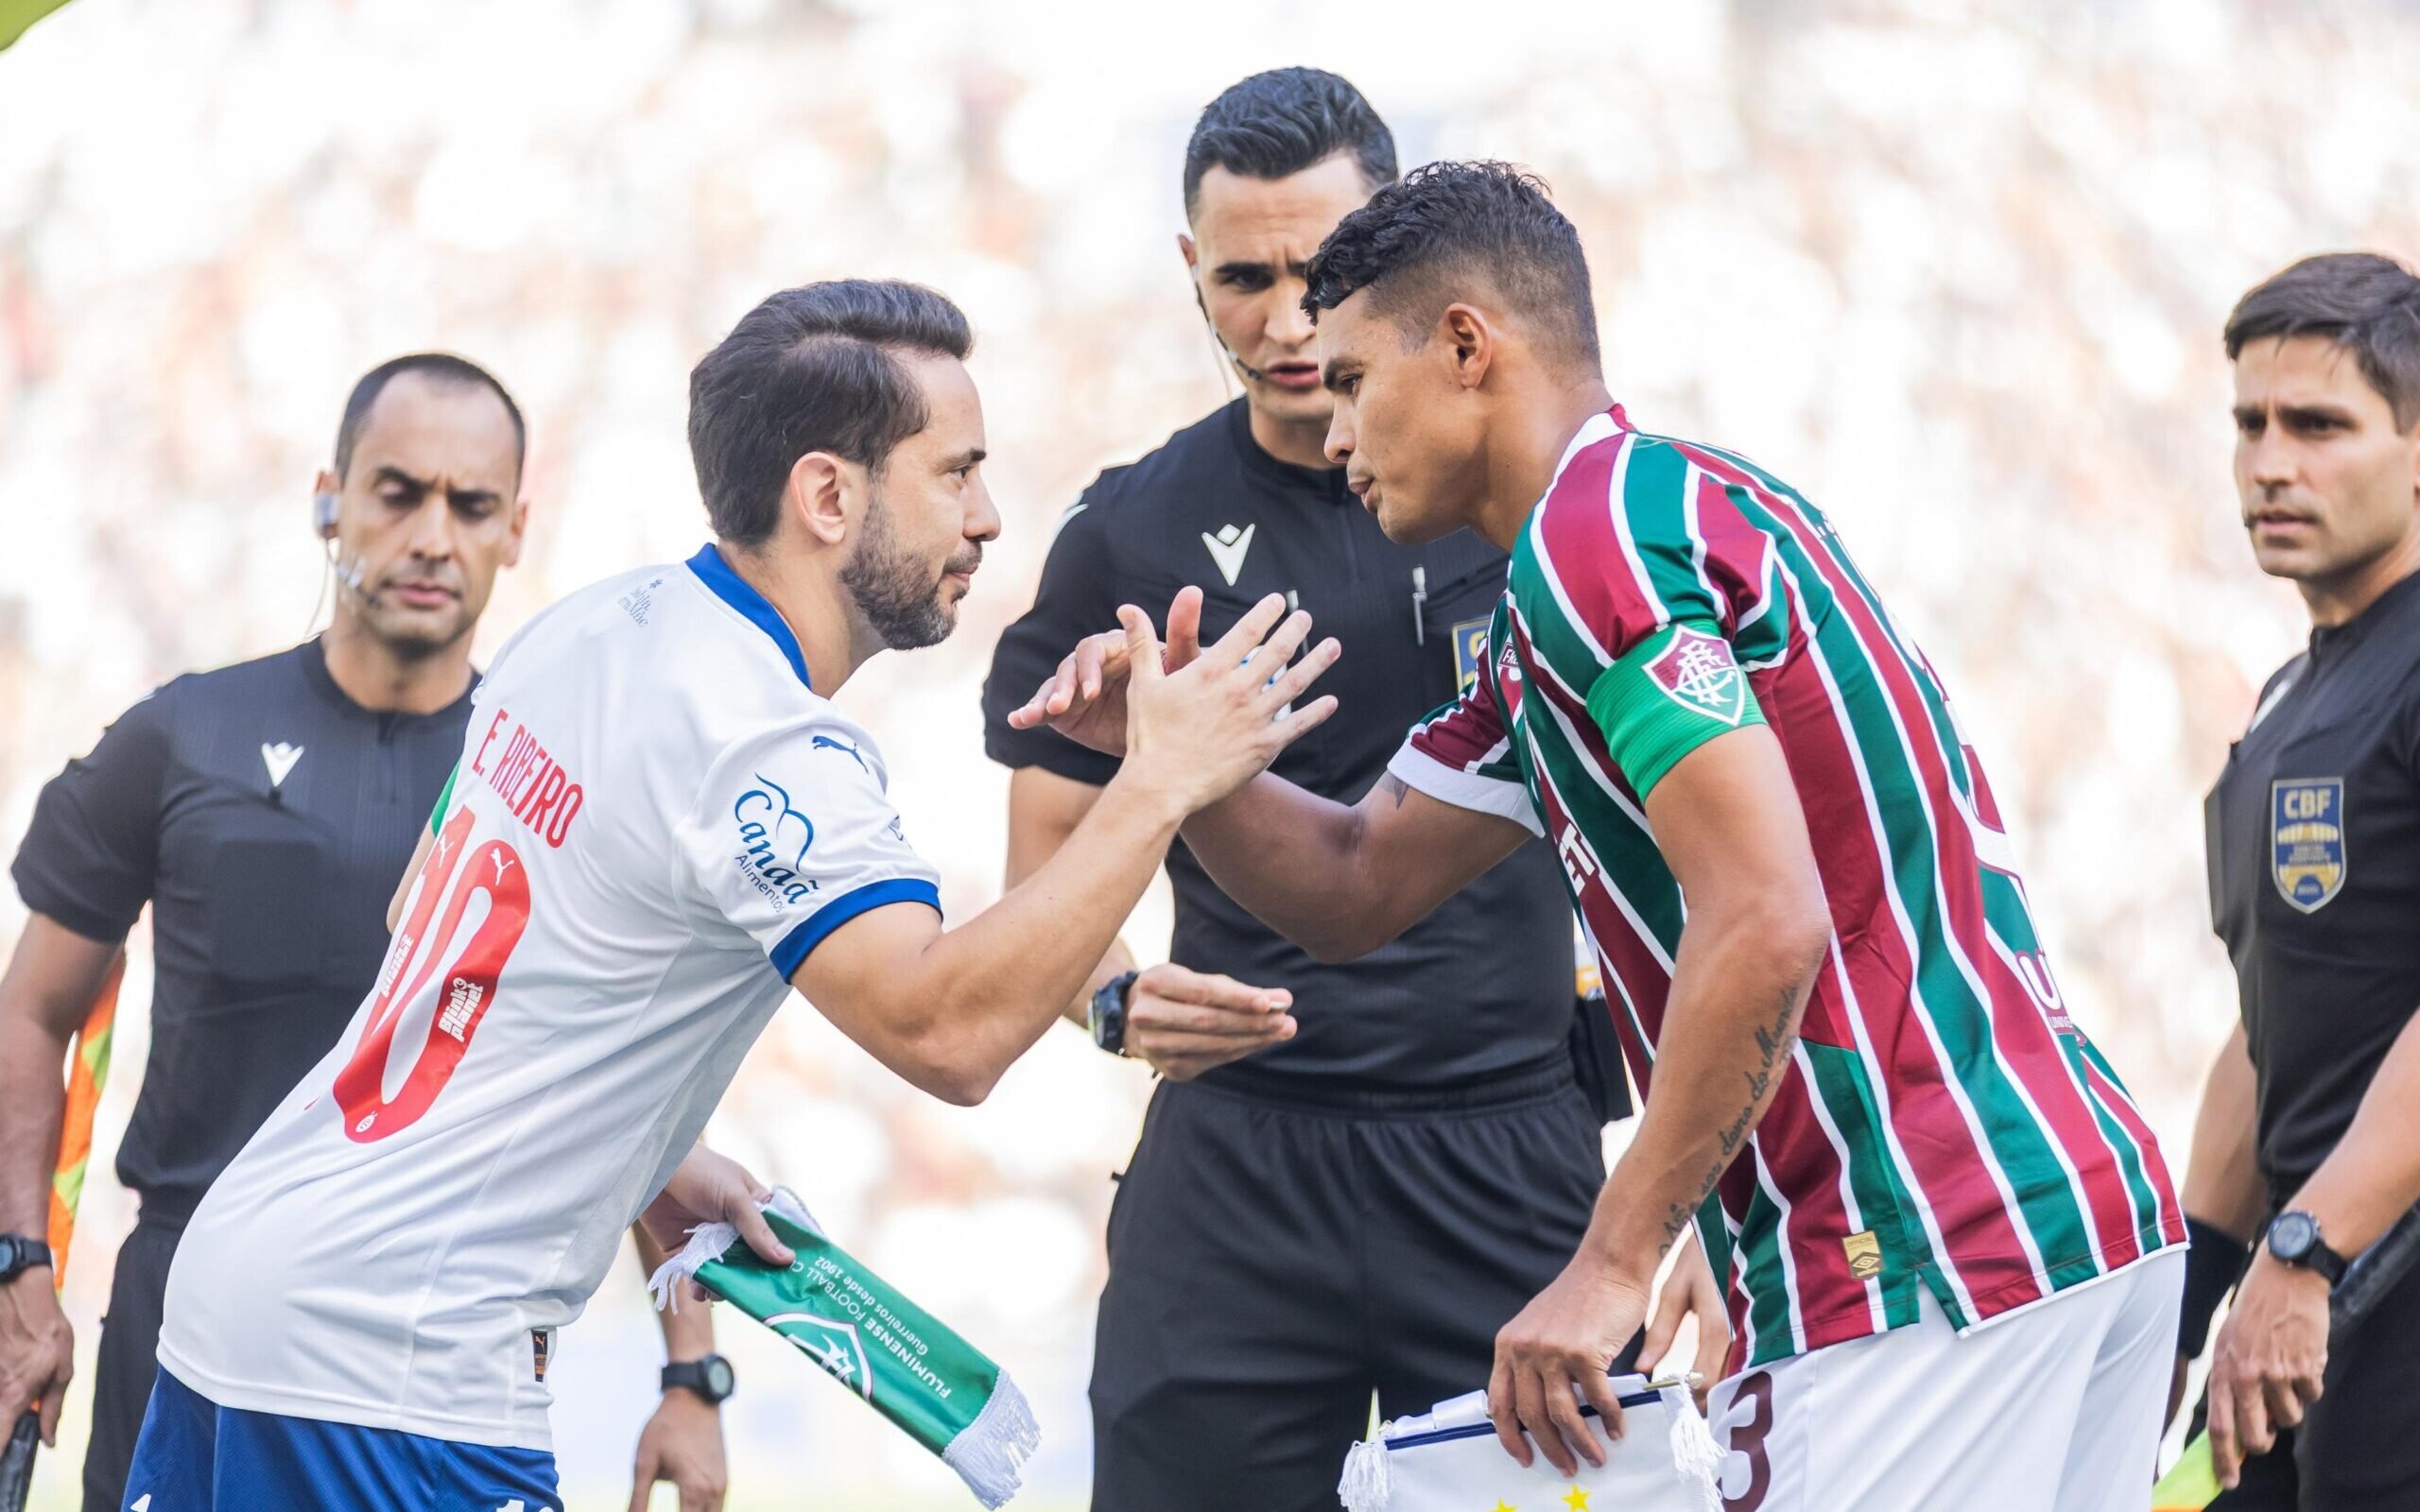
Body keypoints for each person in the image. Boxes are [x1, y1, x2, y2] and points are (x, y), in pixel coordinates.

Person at [1007, 163, 2188, 1510]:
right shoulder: (1654, 528)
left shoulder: (1594, 542)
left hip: (1913, 1254)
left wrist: (1615, 1256)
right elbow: (1353, 882)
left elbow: (1765, 914)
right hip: (2076, 1224)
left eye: (1348, 382)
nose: (1332, 436)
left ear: (1465, 348)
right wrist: (1170, 767)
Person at [105, 279, 1338, 1510]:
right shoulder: (764, 741)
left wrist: (654, 1149)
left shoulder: (593, 622)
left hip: (254, 1285)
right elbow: (949, 1034)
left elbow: (423, 937)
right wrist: (1156, 779)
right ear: (829, 495)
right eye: (955, 473)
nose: (989, 517)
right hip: (392, 1372)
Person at [978, 71, 1683, 1512]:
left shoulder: (1563, 509)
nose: (1290, 318)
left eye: (1321, 270)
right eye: (1245, 277)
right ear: (1192, 275)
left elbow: (1710, 865)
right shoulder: (1130, 529)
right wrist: (1108, 995)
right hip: (1237, 1164)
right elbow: (1041, 876)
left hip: (1510, 1151)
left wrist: (1694, 1223)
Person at [0, 353, 738, 1512]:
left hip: (432, 1356)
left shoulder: (554, 781)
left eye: (472, 504)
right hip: (189, 1305)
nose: (433, 535)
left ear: (515, 530)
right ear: (328, 497)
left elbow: (631, 1086)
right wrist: (18, 1269)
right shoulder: (181, 736)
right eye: (399, 492)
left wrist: (691, 1374)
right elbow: (33, 1010)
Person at [2172, 252, 2420, 1507]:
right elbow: (2267, 1026)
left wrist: (2307, 1249)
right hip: (2306, 1320)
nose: (2271, 462)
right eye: (2251, 425)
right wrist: (2186, 1292)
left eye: (2319, 425)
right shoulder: (2286, 707)